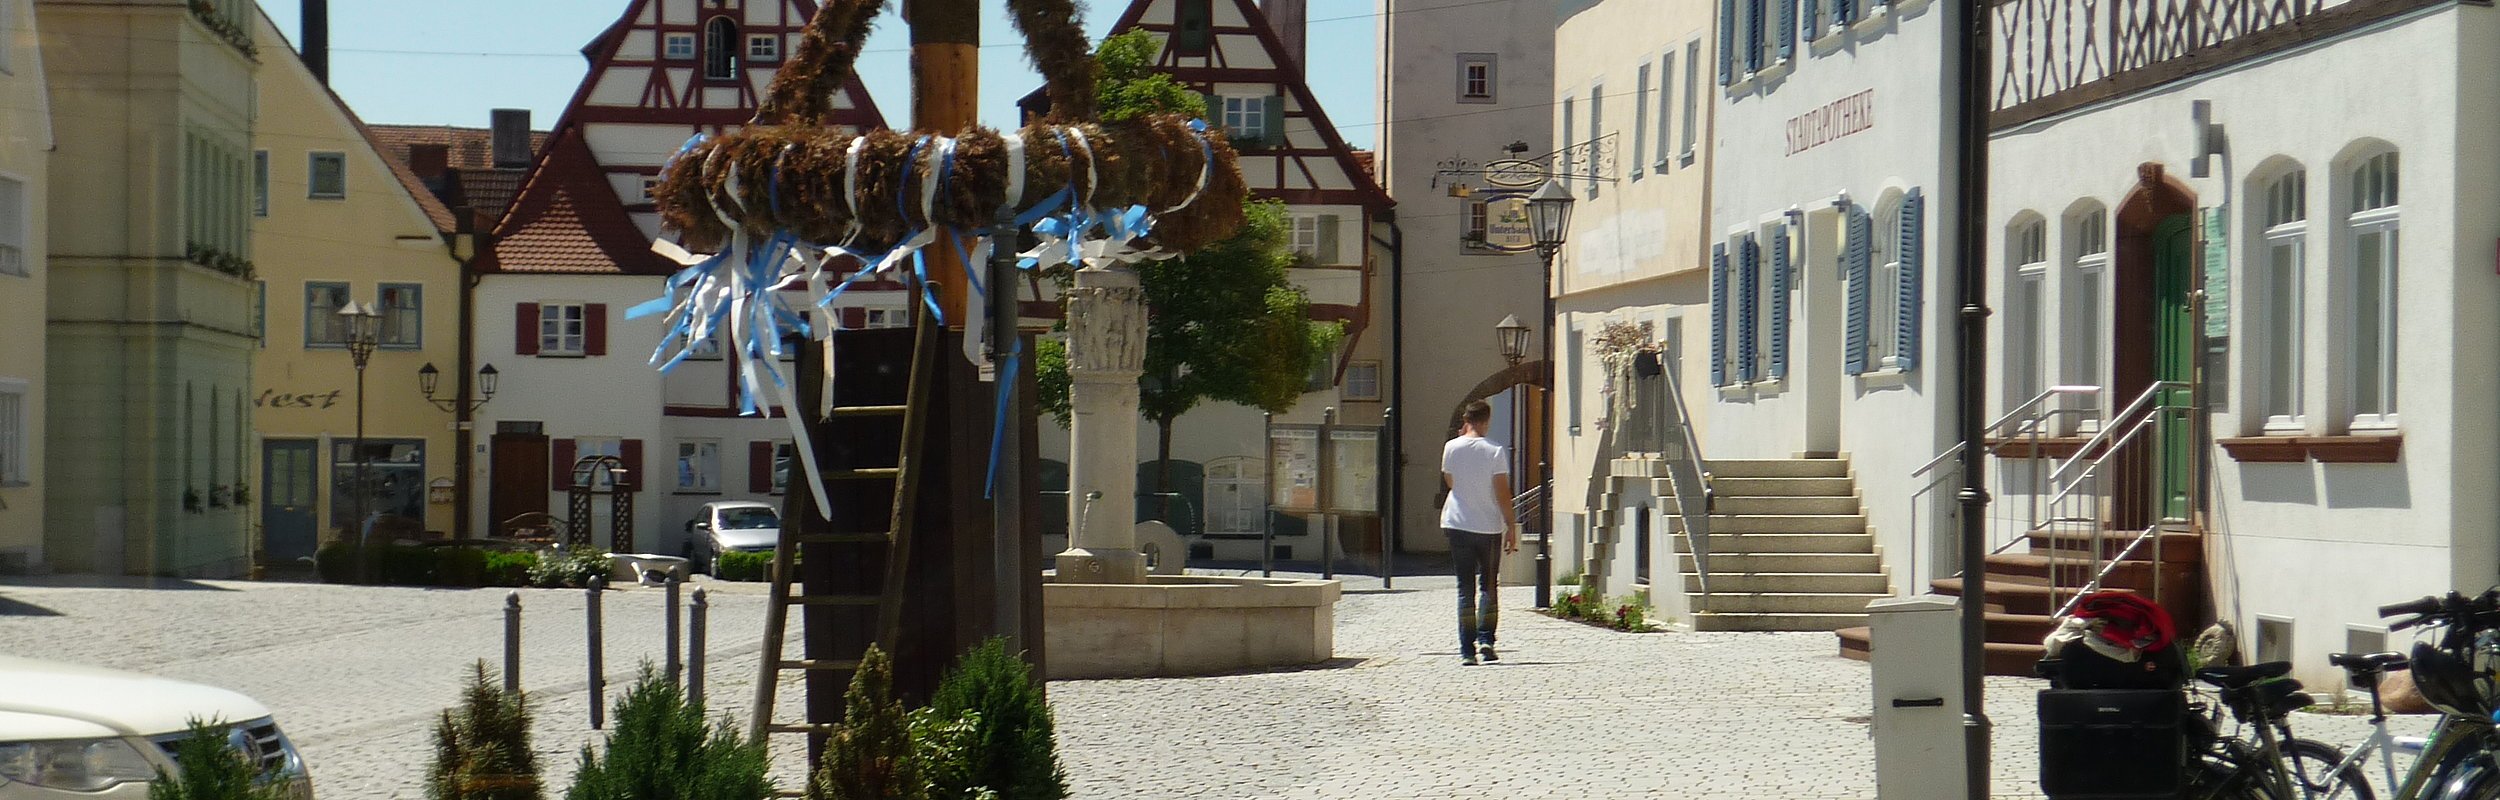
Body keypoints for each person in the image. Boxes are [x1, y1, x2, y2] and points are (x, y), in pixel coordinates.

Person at [1442, 399, 1518, 666]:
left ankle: (1466, 650)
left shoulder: (1451, 447)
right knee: (1488, 585)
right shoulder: (1494, 451)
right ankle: (1486, 639)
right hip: (1487, 526)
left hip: (1457, 523)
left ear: (1467, 420)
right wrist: (1511, 525)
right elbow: (1502, 492)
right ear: (1486, 420)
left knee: (1465, 589)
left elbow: (1451, 481)